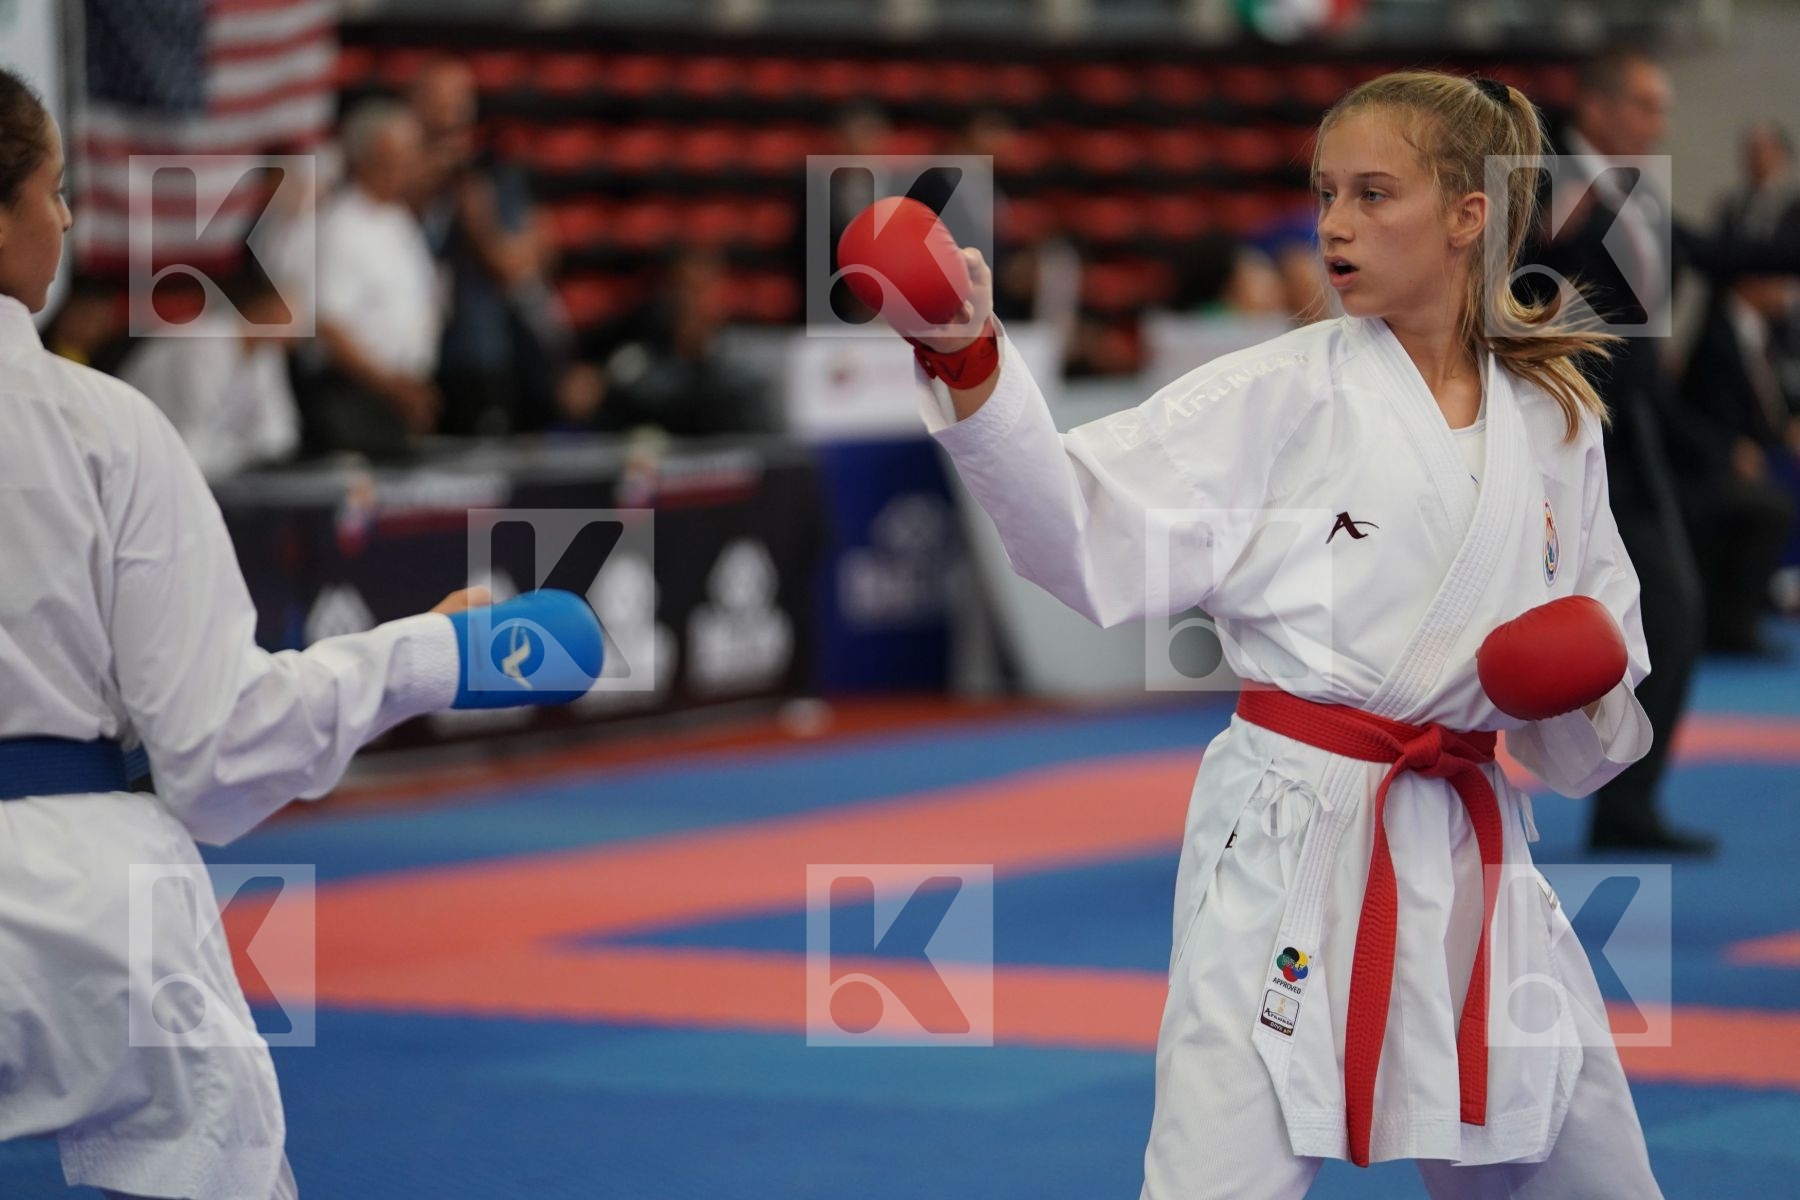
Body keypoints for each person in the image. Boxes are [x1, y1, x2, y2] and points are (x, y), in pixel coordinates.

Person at [854, 72, 1662, 1197]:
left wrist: (1582, 684)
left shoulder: (1557, 421)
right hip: (1288, 832)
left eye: (1376, 194)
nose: (1333, 222)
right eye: (1325, 191)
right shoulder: (1276, 395)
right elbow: (1084, 529)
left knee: (1579, 1170)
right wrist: (968, 353)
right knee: (1218, 1175)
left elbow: (1585, 733)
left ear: (1470, 214)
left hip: (1475, 844)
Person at [0, 69, 602, 1199]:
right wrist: (433, 655)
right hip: (87, 907)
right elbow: (218, 752)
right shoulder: (102, 427)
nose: (68, 218)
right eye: (53, 190)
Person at [1532, 49, 1715, 854]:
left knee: (1671, 615)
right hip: (1560, 430)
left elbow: (1713, 259)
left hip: (1627, 436)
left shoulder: (1628, 196)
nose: (1657, 125)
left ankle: (1626, 804)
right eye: (1645, 106)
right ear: (1599, 106)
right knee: (1669, 612)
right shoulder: (1547, 180)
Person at [299, 100, 441, 460]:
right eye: (403, 154)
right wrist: (390, 386)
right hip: (354, 399)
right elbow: (328, 326)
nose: (412, 165)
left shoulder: (399, 221)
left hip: (401, 394)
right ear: (369, 158)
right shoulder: (341, 226)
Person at [117, 259, 300, 481]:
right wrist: (243, 451)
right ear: (265, 310)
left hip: (215, 467)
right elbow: (192, 441)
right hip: (143, 459)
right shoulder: (204, 343)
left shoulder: (266, 353)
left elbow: (278, 434)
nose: (299, 326)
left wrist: (244, 454)